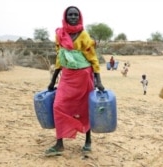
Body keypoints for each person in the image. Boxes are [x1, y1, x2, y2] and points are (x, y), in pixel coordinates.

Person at [45, 6, 105, 156]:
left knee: (85, 109)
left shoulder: (84, 35)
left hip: (84, 77)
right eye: (70, 15)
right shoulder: (60, 34)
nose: (73, 17)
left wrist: (98, 81)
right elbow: (60, 58)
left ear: (80, 17)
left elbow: (93, 59)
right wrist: (53, 81)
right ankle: (59, 143)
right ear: (65, 17)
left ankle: (88, 141)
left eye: (75, 15)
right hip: (66, 77)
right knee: (58, 106)